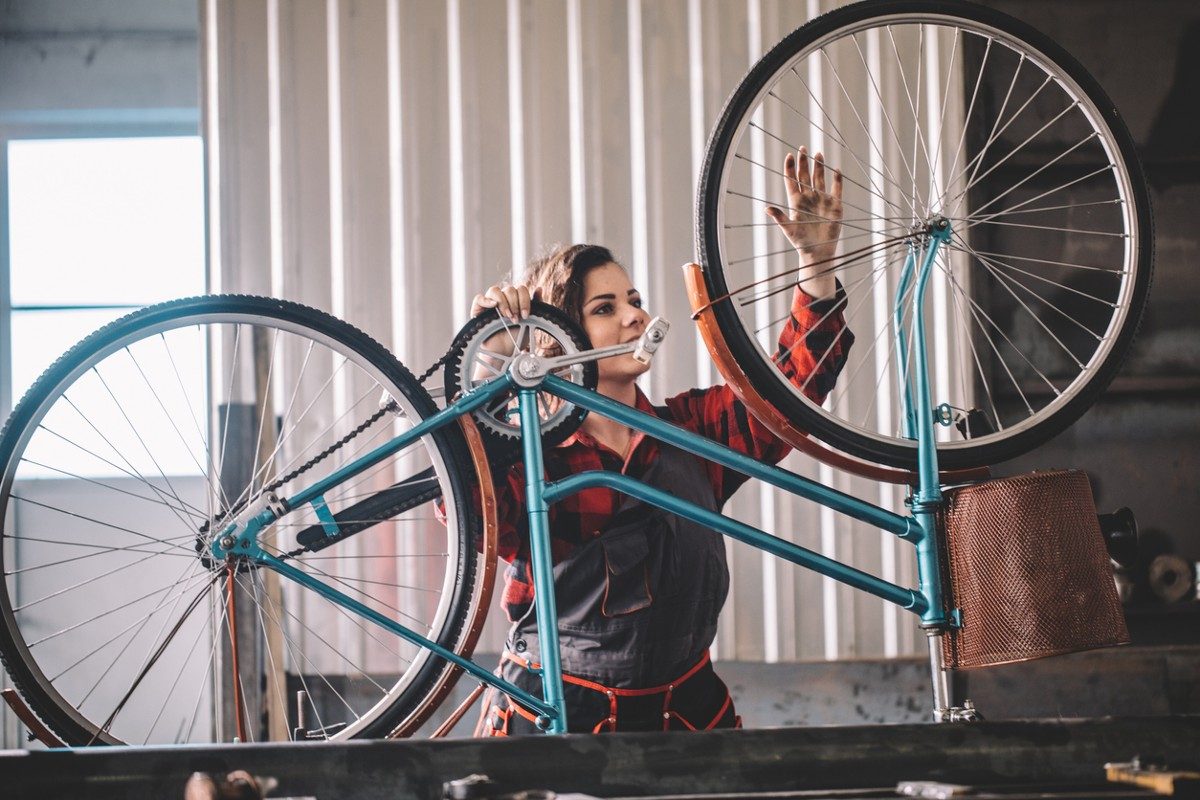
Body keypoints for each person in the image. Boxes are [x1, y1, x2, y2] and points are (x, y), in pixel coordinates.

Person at [470, 148, 853, 735]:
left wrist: (816, 263)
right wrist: (488, 360)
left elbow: (790, 392)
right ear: (555, 339)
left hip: (688, 717)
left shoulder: (690, 434)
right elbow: (475, 513)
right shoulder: (531, 456)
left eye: (635, 301)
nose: (633, 318)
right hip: (553, 720)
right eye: (605, 308)